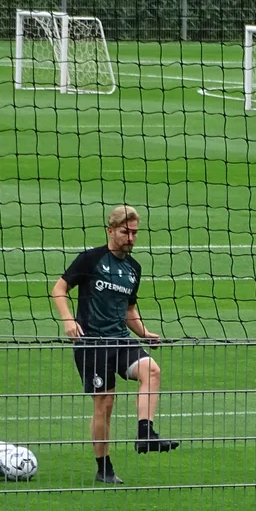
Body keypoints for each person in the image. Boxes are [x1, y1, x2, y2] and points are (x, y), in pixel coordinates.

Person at [50, 206, 178, 485]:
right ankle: (103, 467)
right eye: (125, 232)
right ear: (111, 231)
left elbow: (128, 310)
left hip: (120, 340)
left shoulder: (134, 269)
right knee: (105, 404)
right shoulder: (90, 260)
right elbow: (59, 289)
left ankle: (145, 433)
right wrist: (68, 321)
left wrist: (144, 333)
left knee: (151, 370)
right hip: (92, 344)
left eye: (134, 233)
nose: (131, 238)